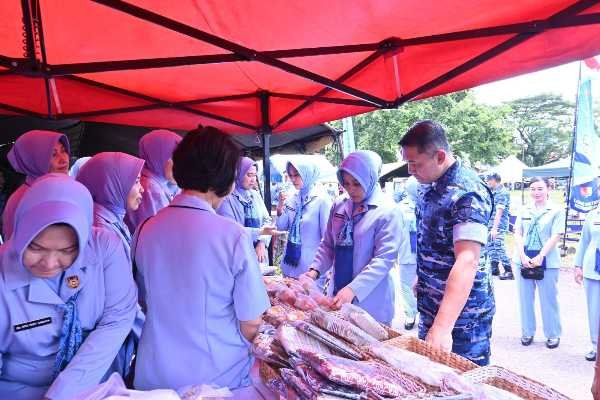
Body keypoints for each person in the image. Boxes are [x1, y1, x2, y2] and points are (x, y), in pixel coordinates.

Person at [132, 127, 270, 392]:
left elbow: (143, 301)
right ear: (225, 179)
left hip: (154, 376)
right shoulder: (233, 236)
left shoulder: (145, 229)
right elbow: (251, 322)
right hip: (217, 378)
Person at [0, 174, 138, 400]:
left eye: (67, 251)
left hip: (91, 383)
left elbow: (118, 318)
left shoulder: (104, 248)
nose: (49, 263)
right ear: (20, 231)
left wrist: (63, 394)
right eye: (36, 248)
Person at [399, 120, 494, 366]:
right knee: (430, 378)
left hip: (462, 319)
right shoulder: (430, 185)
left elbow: (468, 260)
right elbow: (434, 240)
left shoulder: (468, 192)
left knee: (462, 381)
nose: (410, 170)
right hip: (431, 306)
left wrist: (442, 327)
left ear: (440, 156)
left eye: (415, 163)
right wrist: (424, 276)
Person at [302, 150, 405, 324]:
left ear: (370, 179)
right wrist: (314, 271)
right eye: (346, 183)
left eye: (357, 183)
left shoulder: (388, 211)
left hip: (371, 303)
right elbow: (328, 244)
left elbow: (384, 259)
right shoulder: (340, 205)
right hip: (337, 296)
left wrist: (353, 289)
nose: (351, 189)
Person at [513, 176, 564, 349]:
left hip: (547, 260)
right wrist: (521, 255)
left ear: (549, 188)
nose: (536, 192)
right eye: (533, 189)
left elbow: (556, 235)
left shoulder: (556, 210)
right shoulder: (524, 209)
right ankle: (527, 332)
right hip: (523, 259)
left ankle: (553, 334)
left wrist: (541, 256)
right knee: (525, 298)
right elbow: (517, 232)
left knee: (549, 299)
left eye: (540, 188)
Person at [2, 130, 70, 240]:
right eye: (53, 154)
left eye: (63, 150)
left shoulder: (54, 190)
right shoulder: (26, 200)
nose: (64, 160)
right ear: (33, 160)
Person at [276, 159, 332, 286]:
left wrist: (328, 269)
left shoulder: (321, 200)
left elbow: (327, 238)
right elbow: (282, 227)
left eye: (297, 175)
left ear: (307, 174)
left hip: (310, 271)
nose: (293, 179)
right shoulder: (292, 198)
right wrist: (280, 208)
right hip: (289, 267)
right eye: (290, 175)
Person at [217, 157, 279, 264]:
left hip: (259, 257)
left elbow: (267, 220)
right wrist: (260, 232)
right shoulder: (226, 199)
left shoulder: (255, 195)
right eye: (249, 175)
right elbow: (231, 230)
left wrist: (262, 242)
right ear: (238, 174)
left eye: (255, 175)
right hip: (238, 257)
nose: (253, 179)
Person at [126, 129, 181, 232]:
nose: (182, 164)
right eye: (175, 158)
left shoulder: (162, 183)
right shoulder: (150, 189)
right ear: (159, 156)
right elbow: (162, 233)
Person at [574, 204, 600, 361]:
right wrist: (578, 266)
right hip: (593, 268)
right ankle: (595, 346)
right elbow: (584, 241)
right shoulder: (592, 215)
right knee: (594, 310)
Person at [397, 176, 419, 330]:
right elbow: (395, 232)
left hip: (427, 253)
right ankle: (410, 313)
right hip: (407, 252)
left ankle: (425, 312)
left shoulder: (429, 203)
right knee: (406, 284)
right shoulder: (400, 208)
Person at [486, 173, 513, 280]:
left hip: (498, 225)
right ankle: (494, 268)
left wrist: (495, 228)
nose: (487, 182)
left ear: (494, 180)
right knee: (491, 246)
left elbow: (499, 212)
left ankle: (508, 270)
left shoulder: (502, 193)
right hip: (491, 223)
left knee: (499, 246)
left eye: (489, 180)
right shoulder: (493, 192)